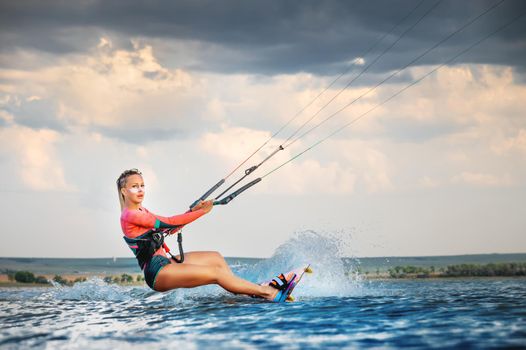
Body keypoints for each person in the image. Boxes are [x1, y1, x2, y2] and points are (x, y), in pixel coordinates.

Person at [116, 168, 294, 301]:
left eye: (142, 185)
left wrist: (192, 212)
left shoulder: (140, 210)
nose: (140, 190)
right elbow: (168, 222)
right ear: (124, 191)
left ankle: (247, 291)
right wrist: (202, 212)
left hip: (165, 263)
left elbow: (170, 229)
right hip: (157, 272)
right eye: (134, 186)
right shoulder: (130, 215)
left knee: (215, 258)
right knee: (215, 273)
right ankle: (268, 292)